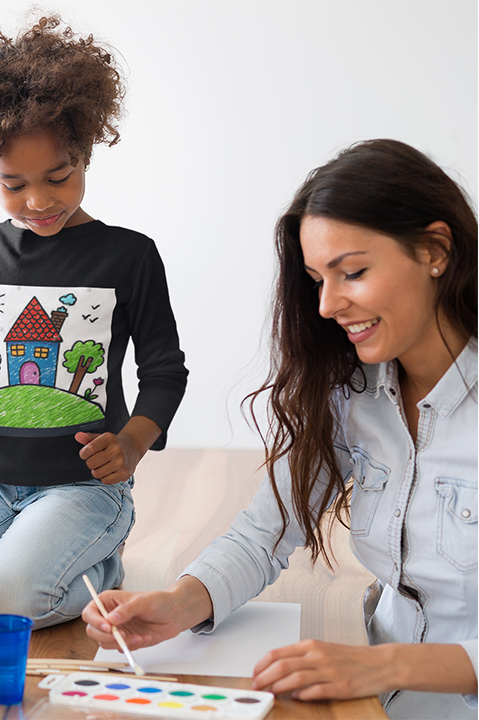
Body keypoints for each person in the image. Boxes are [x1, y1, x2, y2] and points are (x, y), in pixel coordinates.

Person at [82, 139, 477, 718]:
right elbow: (266, 529)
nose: (327, 305)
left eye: (353, 273)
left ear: (435, 249)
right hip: (372, 700)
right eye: (318, 279)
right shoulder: (353, 394)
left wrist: (386, 666)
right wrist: (180, 603)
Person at [0, 16, 188, 630]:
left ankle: (100, 560)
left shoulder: (129, 254)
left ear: (85, 153)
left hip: (81, 484)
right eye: (12, 184)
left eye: (59, 177)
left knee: (14, 598)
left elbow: (165, 369)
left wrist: (133, 442)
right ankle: (23, 554)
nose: (38, 200)